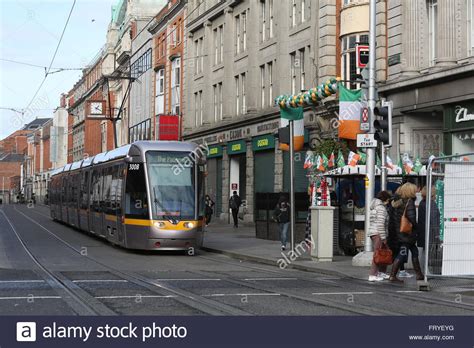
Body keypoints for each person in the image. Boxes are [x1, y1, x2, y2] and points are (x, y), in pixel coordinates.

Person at [388, 182, 424, 282]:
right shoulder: (409, 202)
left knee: (413, 251)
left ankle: (419, 274)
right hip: (407, 234)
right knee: (402, 253)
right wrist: (416, 227)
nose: (415, 191)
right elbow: (412, 218)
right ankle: (392, 275)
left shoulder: (397, 202)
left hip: (400, 232)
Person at [368, 190, 391, 282]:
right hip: (378, 233)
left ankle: (381, 272)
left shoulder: (375, 207)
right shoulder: (381, 208)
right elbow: (380, 224)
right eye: (388, 200)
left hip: (374, 232)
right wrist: (384, 237)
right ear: (385, 199)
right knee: (378, 254)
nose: (388, 202)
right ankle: (373, 274)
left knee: (382, 252)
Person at [417, 186, 440, 264]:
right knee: (428, 252)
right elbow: (434, 220)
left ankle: (424, 270)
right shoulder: (431, 204)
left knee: (425, 251)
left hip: (423, 231)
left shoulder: (422, 202)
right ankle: (426, 271)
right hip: (430, 232)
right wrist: (437, 234)